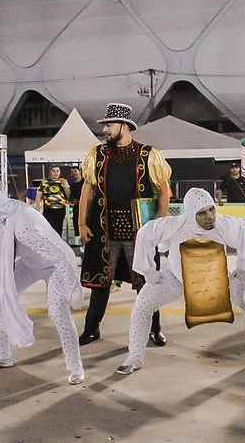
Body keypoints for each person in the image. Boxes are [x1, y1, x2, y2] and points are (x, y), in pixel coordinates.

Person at [115, 188, 245, 375]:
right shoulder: (174, 225)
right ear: (191, 214)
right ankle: (134, 356)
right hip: (176, 278)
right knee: (143, 302)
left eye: (212, 210)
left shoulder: (223, 224)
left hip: (216, 279)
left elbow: (244, 232)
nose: (210, 216)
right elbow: (146, 233)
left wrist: (242, 268)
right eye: (202, 213)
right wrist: (149, 272)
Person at [0, 188, 85, 384]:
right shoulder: (6, 216)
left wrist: (76, 289)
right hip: (31, 262)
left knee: (58, 312)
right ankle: (3, 355)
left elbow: (58, 256)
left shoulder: (22, 225)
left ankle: (75, 367)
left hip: (56, 266)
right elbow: (3, 250)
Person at [78, 102, 171, 346]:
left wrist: (159, 226)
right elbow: (87, 191)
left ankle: (155, 329)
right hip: (103, 230)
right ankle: (91, 329)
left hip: (138, 234)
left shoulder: (148, 154)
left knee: (147, 283)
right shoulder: (96, 155)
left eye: (109, 125)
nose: (105, 130)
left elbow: (164, 191)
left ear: (124, 126)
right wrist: (81, 223)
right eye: (105, 125)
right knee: (100, 284)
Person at [35, 165, 71, 236]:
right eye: (53, 171)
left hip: (60, 209)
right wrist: (37, 210)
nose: (55, 173)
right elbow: (38, 196)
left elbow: (68, 195)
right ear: (50, 172)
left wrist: (65, 185)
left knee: (58, 230)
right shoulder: (44, 182)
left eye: (57, 171)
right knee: (48, 230)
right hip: (48, 209)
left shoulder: (63, 182)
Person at [68, 166, 84, 241]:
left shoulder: (85, 183)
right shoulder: (72, 186)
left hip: (86, 207)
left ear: (79, 171)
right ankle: (81, 246)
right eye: (72, 172)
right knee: (77, 225)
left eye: (75, 171)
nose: (74, 173)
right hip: (77, 207)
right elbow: (71, 198)